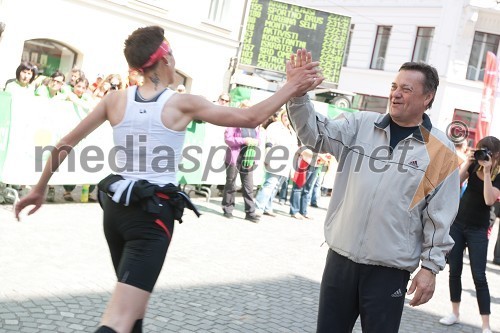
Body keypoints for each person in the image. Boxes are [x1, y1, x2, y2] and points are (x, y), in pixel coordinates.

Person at [14, 27, 322, 333]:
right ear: (165, 58)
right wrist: (291, 86)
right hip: (150, 215)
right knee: (120, 317)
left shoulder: (115, 100)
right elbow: (250, 118)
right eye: (172, 54)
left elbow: (65, 143)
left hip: (116, 211)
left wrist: (39, 188)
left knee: (133, 308)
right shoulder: (180, 103)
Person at [286, 49, 460, 332]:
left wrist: (429, 268)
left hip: (389, 272)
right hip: (340, 260)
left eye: (406, 89)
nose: (396, 94)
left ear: (427, 98)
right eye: (394, 86)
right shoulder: (360, 125)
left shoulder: (441, 151)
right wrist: (297, 95)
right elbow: (314, 135)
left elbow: (440, 216)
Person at [439, 136, 500, 333]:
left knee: (479, 276)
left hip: (479, 229)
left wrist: (489, 171)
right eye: (480, 150)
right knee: (454, 270)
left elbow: (489, 200)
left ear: (496, 155)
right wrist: (468, 161)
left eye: (486, 152)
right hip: (459, 223)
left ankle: (485, 324)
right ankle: (455, 313)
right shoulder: (474, 166)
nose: (482, 155)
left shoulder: (497, 174)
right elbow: (454, 182)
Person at [221, 100, 261, 222]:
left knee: (248, 186)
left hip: (248, 158)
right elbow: (228, 139)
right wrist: (244, 140)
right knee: (231, 184)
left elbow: (258, 139)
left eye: (250, 107)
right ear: (241, 108)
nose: (248, 109)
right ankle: (227, 209)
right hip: (234, 157)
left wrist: (255, 142)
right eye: (245, 107)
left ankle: (250, 213)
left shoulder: (255, 124)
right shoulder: (234, 122)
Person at [255, 109, 297, 217]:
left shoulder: (292, 131)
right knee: (270, 184)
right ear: (281, 116)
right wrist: (267, 157)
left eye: (289, 116)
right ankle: (258, 208)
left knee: (276, 187)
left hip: (286, 163)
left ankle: (267, 207)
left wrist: (293, 168)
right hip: (275, 159)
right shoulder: (275, 127)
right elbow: (269, 142)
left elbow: (294, 149)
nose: (287, 118)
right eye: (285, 116)